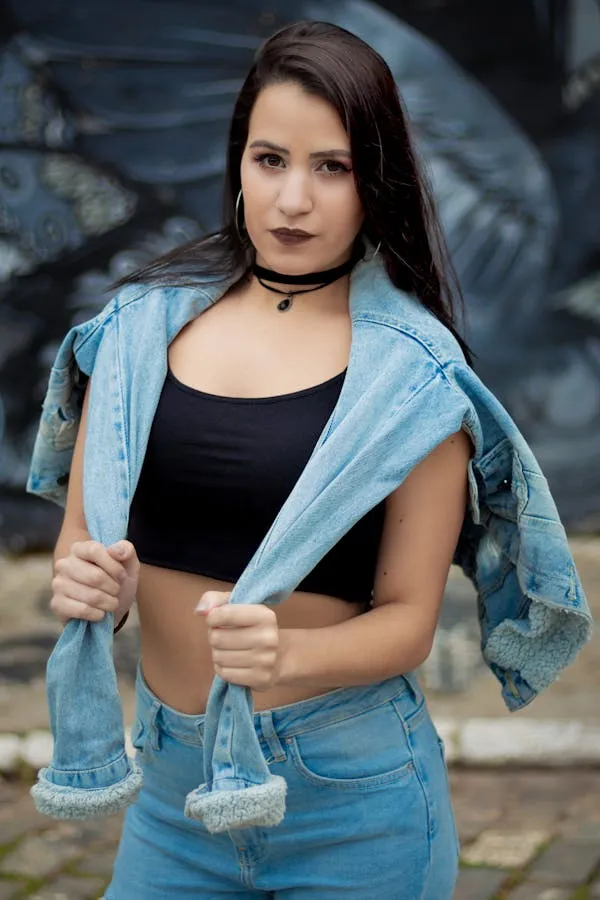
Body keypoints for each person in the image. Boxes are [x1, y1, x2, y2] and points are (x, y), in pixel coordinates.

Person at [28, 20, 590, 900]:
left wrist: (285, 656)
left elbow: (408, 623)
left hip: (350, 802)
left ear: (377, 181)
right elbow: (79, 542)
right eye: (270, 160)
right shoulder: (135, 332)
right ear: (238, 165)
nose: (293, 200)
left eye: (332, 167)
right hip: (172, 792)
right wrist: (94, 583)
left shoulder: (413, 376)